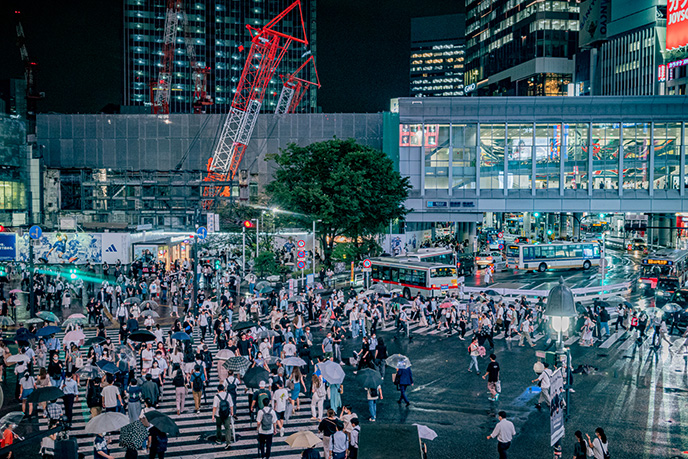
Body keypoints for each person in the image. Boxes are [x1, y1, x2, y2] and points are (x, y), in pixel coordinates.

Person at [212, 384, 234, 450]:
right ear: (224, 389)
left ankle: (219, 439)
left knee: (218, 427)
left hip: (219, 415)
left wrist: (213, 415)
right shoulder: (228, 395)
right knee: (227, 428)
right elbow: (231, 405)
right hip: (227, 414)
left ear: (218, 390)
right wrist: (232, 412)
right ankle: (228, 442)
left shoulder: (216, 397)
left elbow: (214, 407)